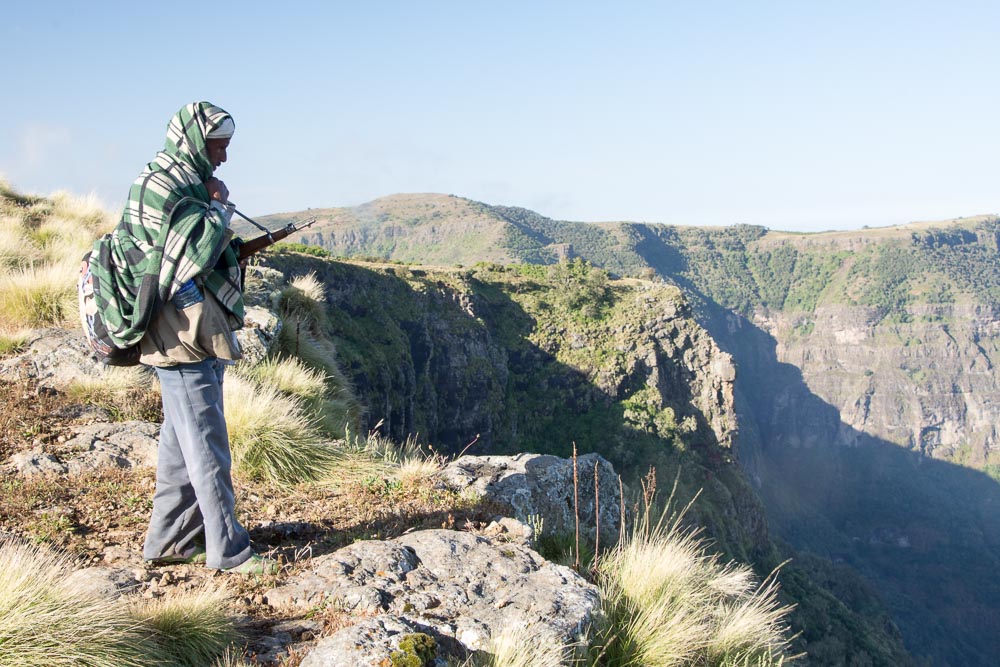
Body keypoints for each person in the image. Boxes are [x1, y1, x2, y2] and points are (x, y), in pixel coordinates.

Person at [92, 101, 274, 574]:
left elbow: (185, 249)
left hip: (188, 327)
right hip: (179, 332)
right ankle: (229, 553)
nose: (224, 156)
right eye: (219, 145)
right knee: (206, 442)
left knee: (182, 439)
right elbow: (183, 256)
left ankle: (170, 540)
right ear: (196, 139)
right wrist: (216, 207)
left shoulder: (178, 181)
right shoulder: (165, 186)